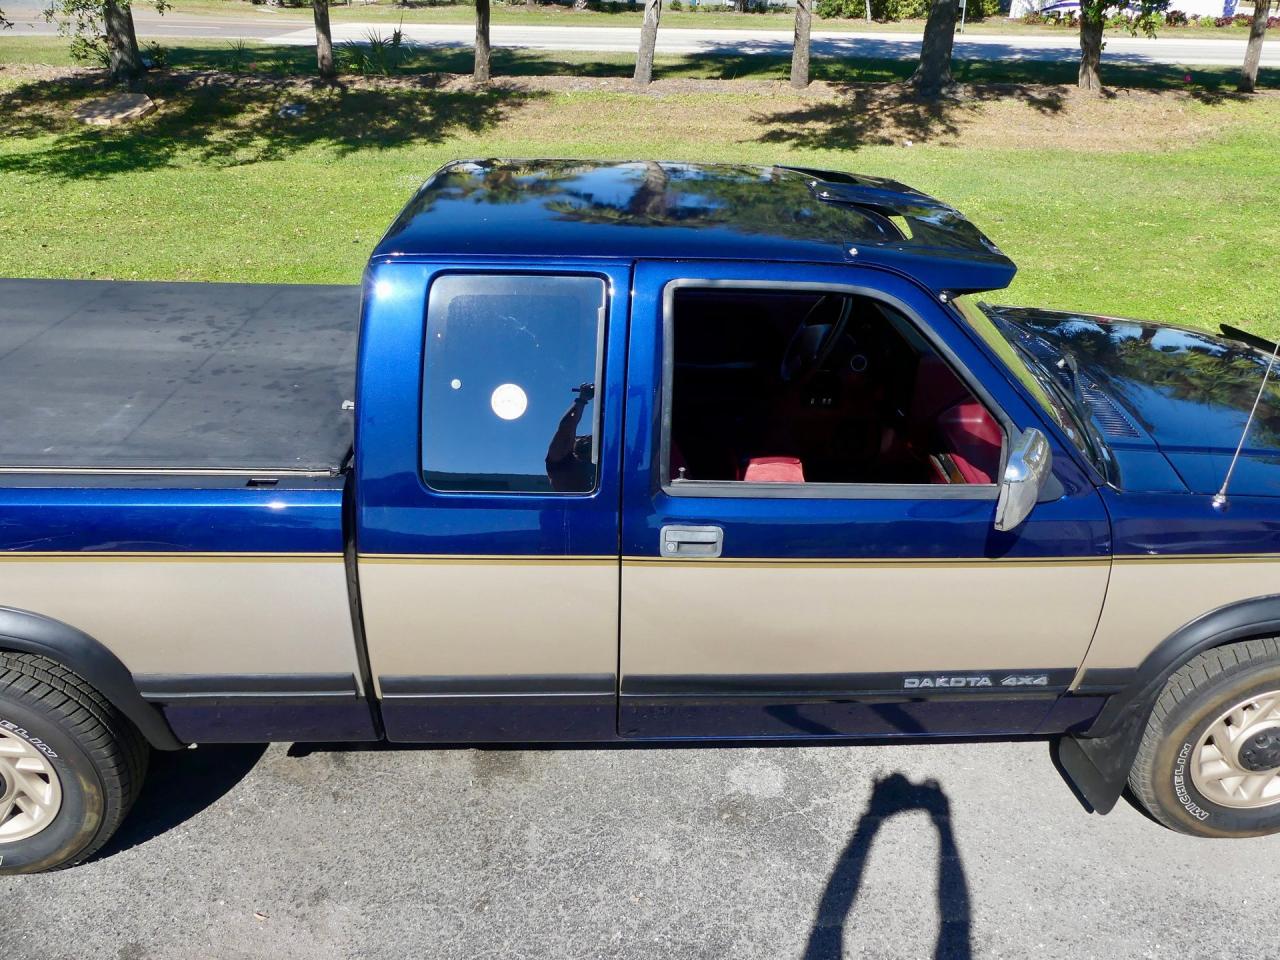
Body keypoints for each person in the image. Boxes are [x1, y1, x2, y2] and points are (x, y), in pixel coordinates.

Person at [545, 382, 596, 492]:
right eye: (580, 437)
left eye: (590, 438)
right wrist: (582, 399)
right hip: (571, 508)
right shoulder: (560, 460)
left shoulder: (602, 466)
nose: (587, 438)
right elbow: (566, 428)